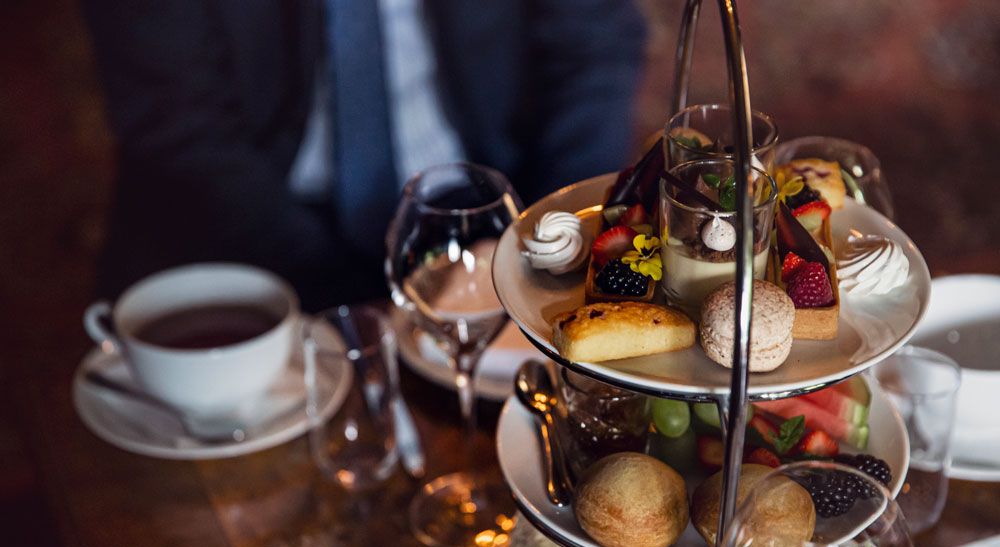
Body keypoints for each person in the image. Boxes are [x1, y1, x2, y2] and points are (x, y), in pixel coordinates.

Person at [83, 0, 648, 310]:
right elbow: (177, 128)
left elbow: (592, 50)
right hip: (245, 228)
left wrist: (551, 245)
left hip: (483, 209)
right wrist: (367, 310)